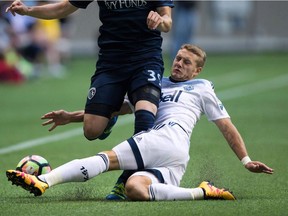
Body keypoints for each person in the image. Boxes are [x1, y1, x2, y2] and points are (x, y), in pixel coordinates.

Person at [6, 44, 274, 201]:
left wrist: (245, 160)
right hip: (173, 153)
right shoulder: (155, 85)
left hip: (169, 138)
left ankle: (44, 181)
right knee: (135, 189)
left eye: (187, 62)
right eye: (178, 58)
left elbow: (226, 125)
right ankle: (201, 192)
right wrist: (71, 117)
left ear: (198, 70)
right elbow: (118, 108)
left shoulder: (202, 88)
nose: (179, 64)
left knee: (106, 159)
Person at [6, 0, 173, 199]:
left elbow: (168, 21)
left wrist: (159, 20)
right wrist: (27, 10)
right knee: (92, 130)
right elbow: (64, 8)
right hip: (111, 62)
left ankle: (127, 180)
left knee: (145, 121)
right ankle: (110, 115)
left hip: (146, 59)